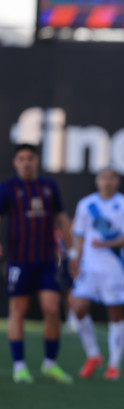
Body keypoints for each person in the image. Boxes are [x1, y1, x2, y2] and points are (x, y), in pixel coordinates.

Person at [0, 143, 73, 384]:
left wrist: (72, 251)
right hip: (19, 261)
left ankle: (50, 364)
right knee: (17, 311)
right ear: (15, 162)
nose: (26, 162)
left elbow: (61, 218)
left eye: (30, 158)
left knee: (52, 308)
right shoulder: (9, 188)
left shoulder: (49, 186)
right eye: (21, 158)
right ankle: (20, 366)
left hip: (47, 260)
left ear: (37, 160)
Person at [70, 167, 124, 381]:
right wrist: (75, 258)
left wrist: (107, 243)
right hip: (89, 267)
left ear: (117, 182)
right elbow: (79, 235)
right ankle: (93, 354)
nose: (107, 182)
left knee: (115, 314)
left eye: (111, 178)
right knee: (78, 308)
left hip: (114, 269)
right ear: (97, 180)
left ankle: (114, 364)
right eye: (103, 178)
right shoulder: (86, 204)